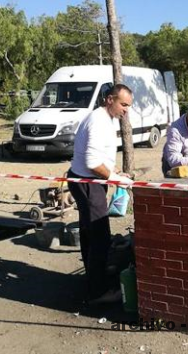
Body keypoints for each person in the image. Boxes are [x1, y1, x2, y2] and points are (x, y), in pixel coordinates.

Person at [67, 84, 133, 304]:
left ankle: (93, 280)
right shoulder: (98, 120)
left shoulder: (106, 119)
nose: (126, 110)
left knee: (89, 232)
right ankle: (99, 292)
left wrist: (114, 171)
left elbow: (99, 156)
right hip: (88, 182)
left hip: (89, 180)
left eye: (128, 106)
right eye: (123, 104)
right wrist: (118, 179)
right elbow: (93, 162)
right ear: (109, 100)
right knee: (99, 235)